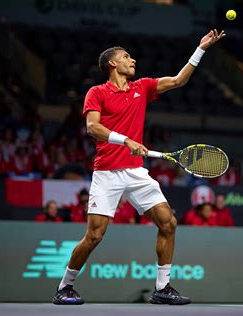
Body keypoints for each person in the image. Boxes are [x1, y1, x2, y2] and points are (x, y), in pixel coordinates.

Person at [52, 28, 226, 306]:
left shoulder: (141, 87)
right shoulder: (97, 92)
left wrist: (201, 48)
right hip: (107, 172)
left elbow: (179, 80)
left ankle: (162, 288)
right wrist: (125, 140)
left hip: (135, 172)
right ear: (112, 64)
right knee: (95, 235)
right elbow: (92, 127)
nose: (132, 60)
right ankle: (65, 287)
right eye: (126, 57)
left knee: (168, 223)